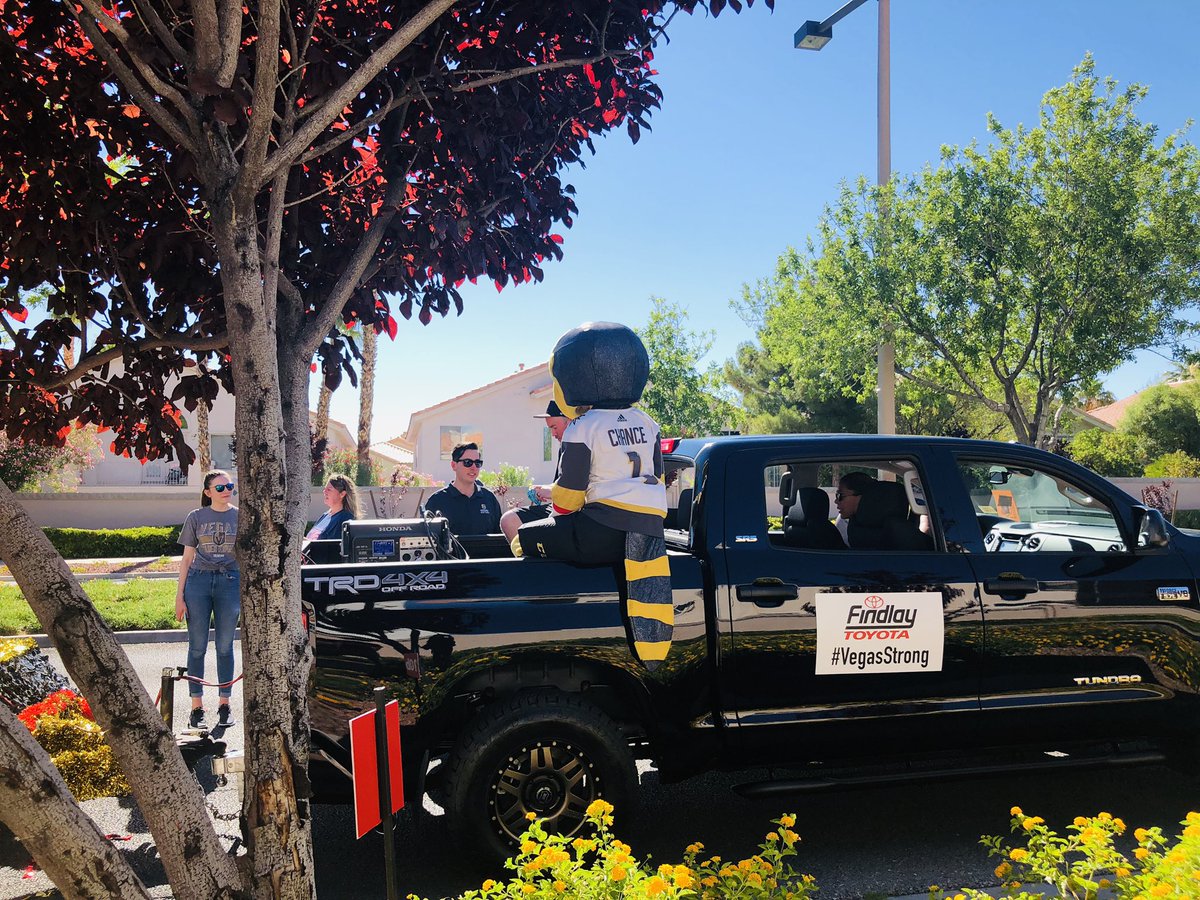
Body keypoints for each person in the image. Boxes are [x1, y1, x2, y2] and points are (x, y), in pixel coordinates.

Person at [175, 470, 240, 730]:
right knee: (197, 646)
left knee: (225, 646)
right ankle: (197, 708)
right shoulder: (196, 517)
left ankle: (224, 705)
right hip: (198, 583)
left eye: (230, 486)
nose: (226, 491)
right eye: (221, 487)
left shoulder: (240, 516)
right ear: (208, 492)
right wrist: (179, 596)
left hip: (230, 582)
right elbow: (187, 559)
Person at [500, 401, 570, 544]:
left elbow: (578, 490)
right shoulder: (563, 448)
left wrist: (550, 491)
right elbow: (559, 483)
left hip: (575, 512)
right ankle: (529, 564)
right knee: (509, 520)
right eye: (549, 429)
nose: (552, 434)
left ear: (568, 421)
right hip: (558, 508)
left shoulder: (582, 446)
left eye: (554, 427)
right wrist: (541, 489)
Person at [424, 442, 502, 534]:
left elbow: (499, 537)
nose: (473, 467)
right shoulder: (437, 500)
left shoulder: (489, 499)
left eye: (477, 463)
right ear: (454, 465)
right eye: (468, 462)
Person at [306, 474, 358, 541]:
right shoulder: (326, 515)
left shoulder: (345, 519)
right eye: (325, 489)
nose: (324, 492)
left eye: (329, 490)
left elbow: (333, 548)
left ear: (342, 494)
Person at [833, 471, 876, 547]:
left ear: (862, 497)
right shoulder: (845, 521)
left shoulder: (889, 530)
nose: (836, 501)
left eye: (840, 495)